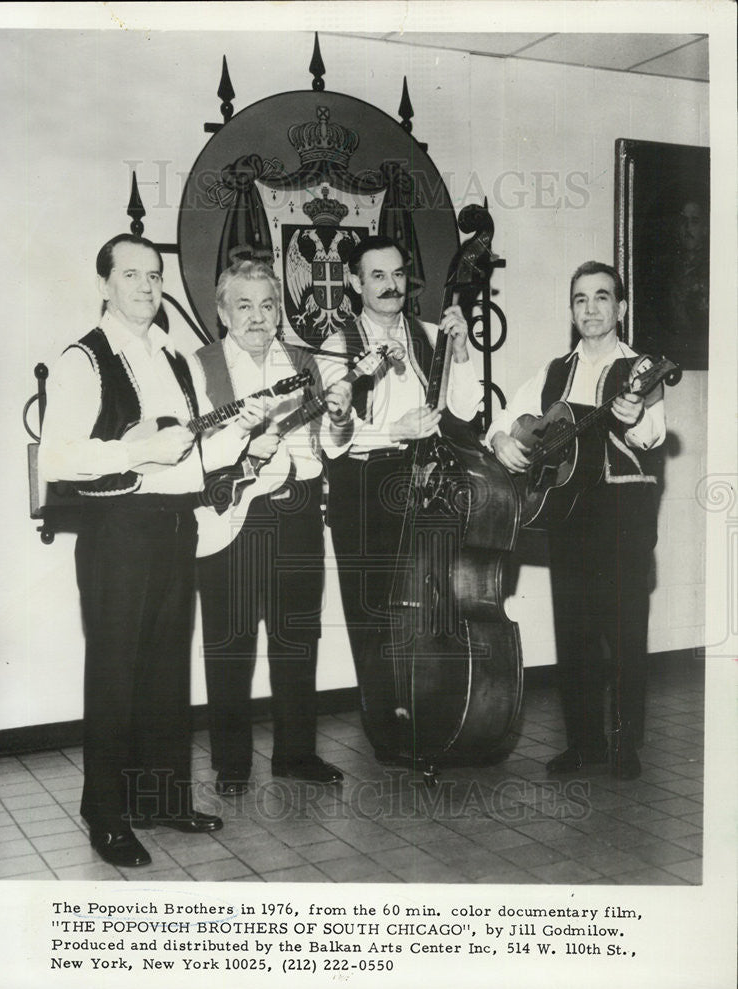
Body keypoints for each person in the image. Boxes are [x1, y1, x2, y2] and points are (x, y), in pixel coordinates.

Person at [38, 234, 263, 867]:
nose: (146, 285)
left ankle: (163, 798)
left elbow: (193, 457)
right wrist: (137, 451)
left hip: (175, 524)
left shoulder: (177, 358)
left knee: (167, 669)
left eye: (154, 274)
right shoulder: (81, 360)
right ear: (104, 283)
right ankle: (104, 812)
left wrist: (241, 435)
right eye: (131, 274)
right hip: (118, 529)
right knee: (114, 673)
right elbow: (59, 458)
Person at [486, 260, 666, 780]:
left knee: (624, 632)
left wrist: (633, 421)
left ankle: (624, 744)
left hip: (622, 514)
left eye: (602, 297)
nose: (591, 308)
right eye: (581, 299)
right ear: (571, 310)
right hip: (567, 514)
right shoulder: (554, 371)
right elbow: (508, 419)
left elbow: (653, 433)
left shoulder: (640, 369)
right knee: (575, 633)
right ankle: (583, 743)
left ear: (621, 308)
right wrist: (503, 443)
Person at [319, 235, 483, 763]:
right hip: (365, 487)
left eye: (397, 275)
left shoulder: (429, 334)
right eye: (377, 276)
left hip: (429, 482)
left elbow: (464, 409)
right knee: (373, 612)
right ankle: (385, 726)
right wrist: (396, 430)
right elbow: (334, 434)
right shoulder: (334, 345)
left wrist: (461, 354)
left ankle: (433, 709)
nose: (390, 286)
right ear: (354, 282)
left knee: (432, 604)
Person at [194, 259, 353, 797]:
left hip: (300, 511)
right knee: (230, 643)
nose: (258, 317)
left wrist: (339, 419)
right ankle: (232, 762)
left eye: (267, 304)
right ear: (222, 313)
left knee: (296, 638)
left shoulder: (307, 362)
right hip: (233, 515)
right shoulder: (200, 365)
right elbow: (191, 451)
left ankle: (296, 754)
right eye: (244, 305)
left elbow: (333, 446)